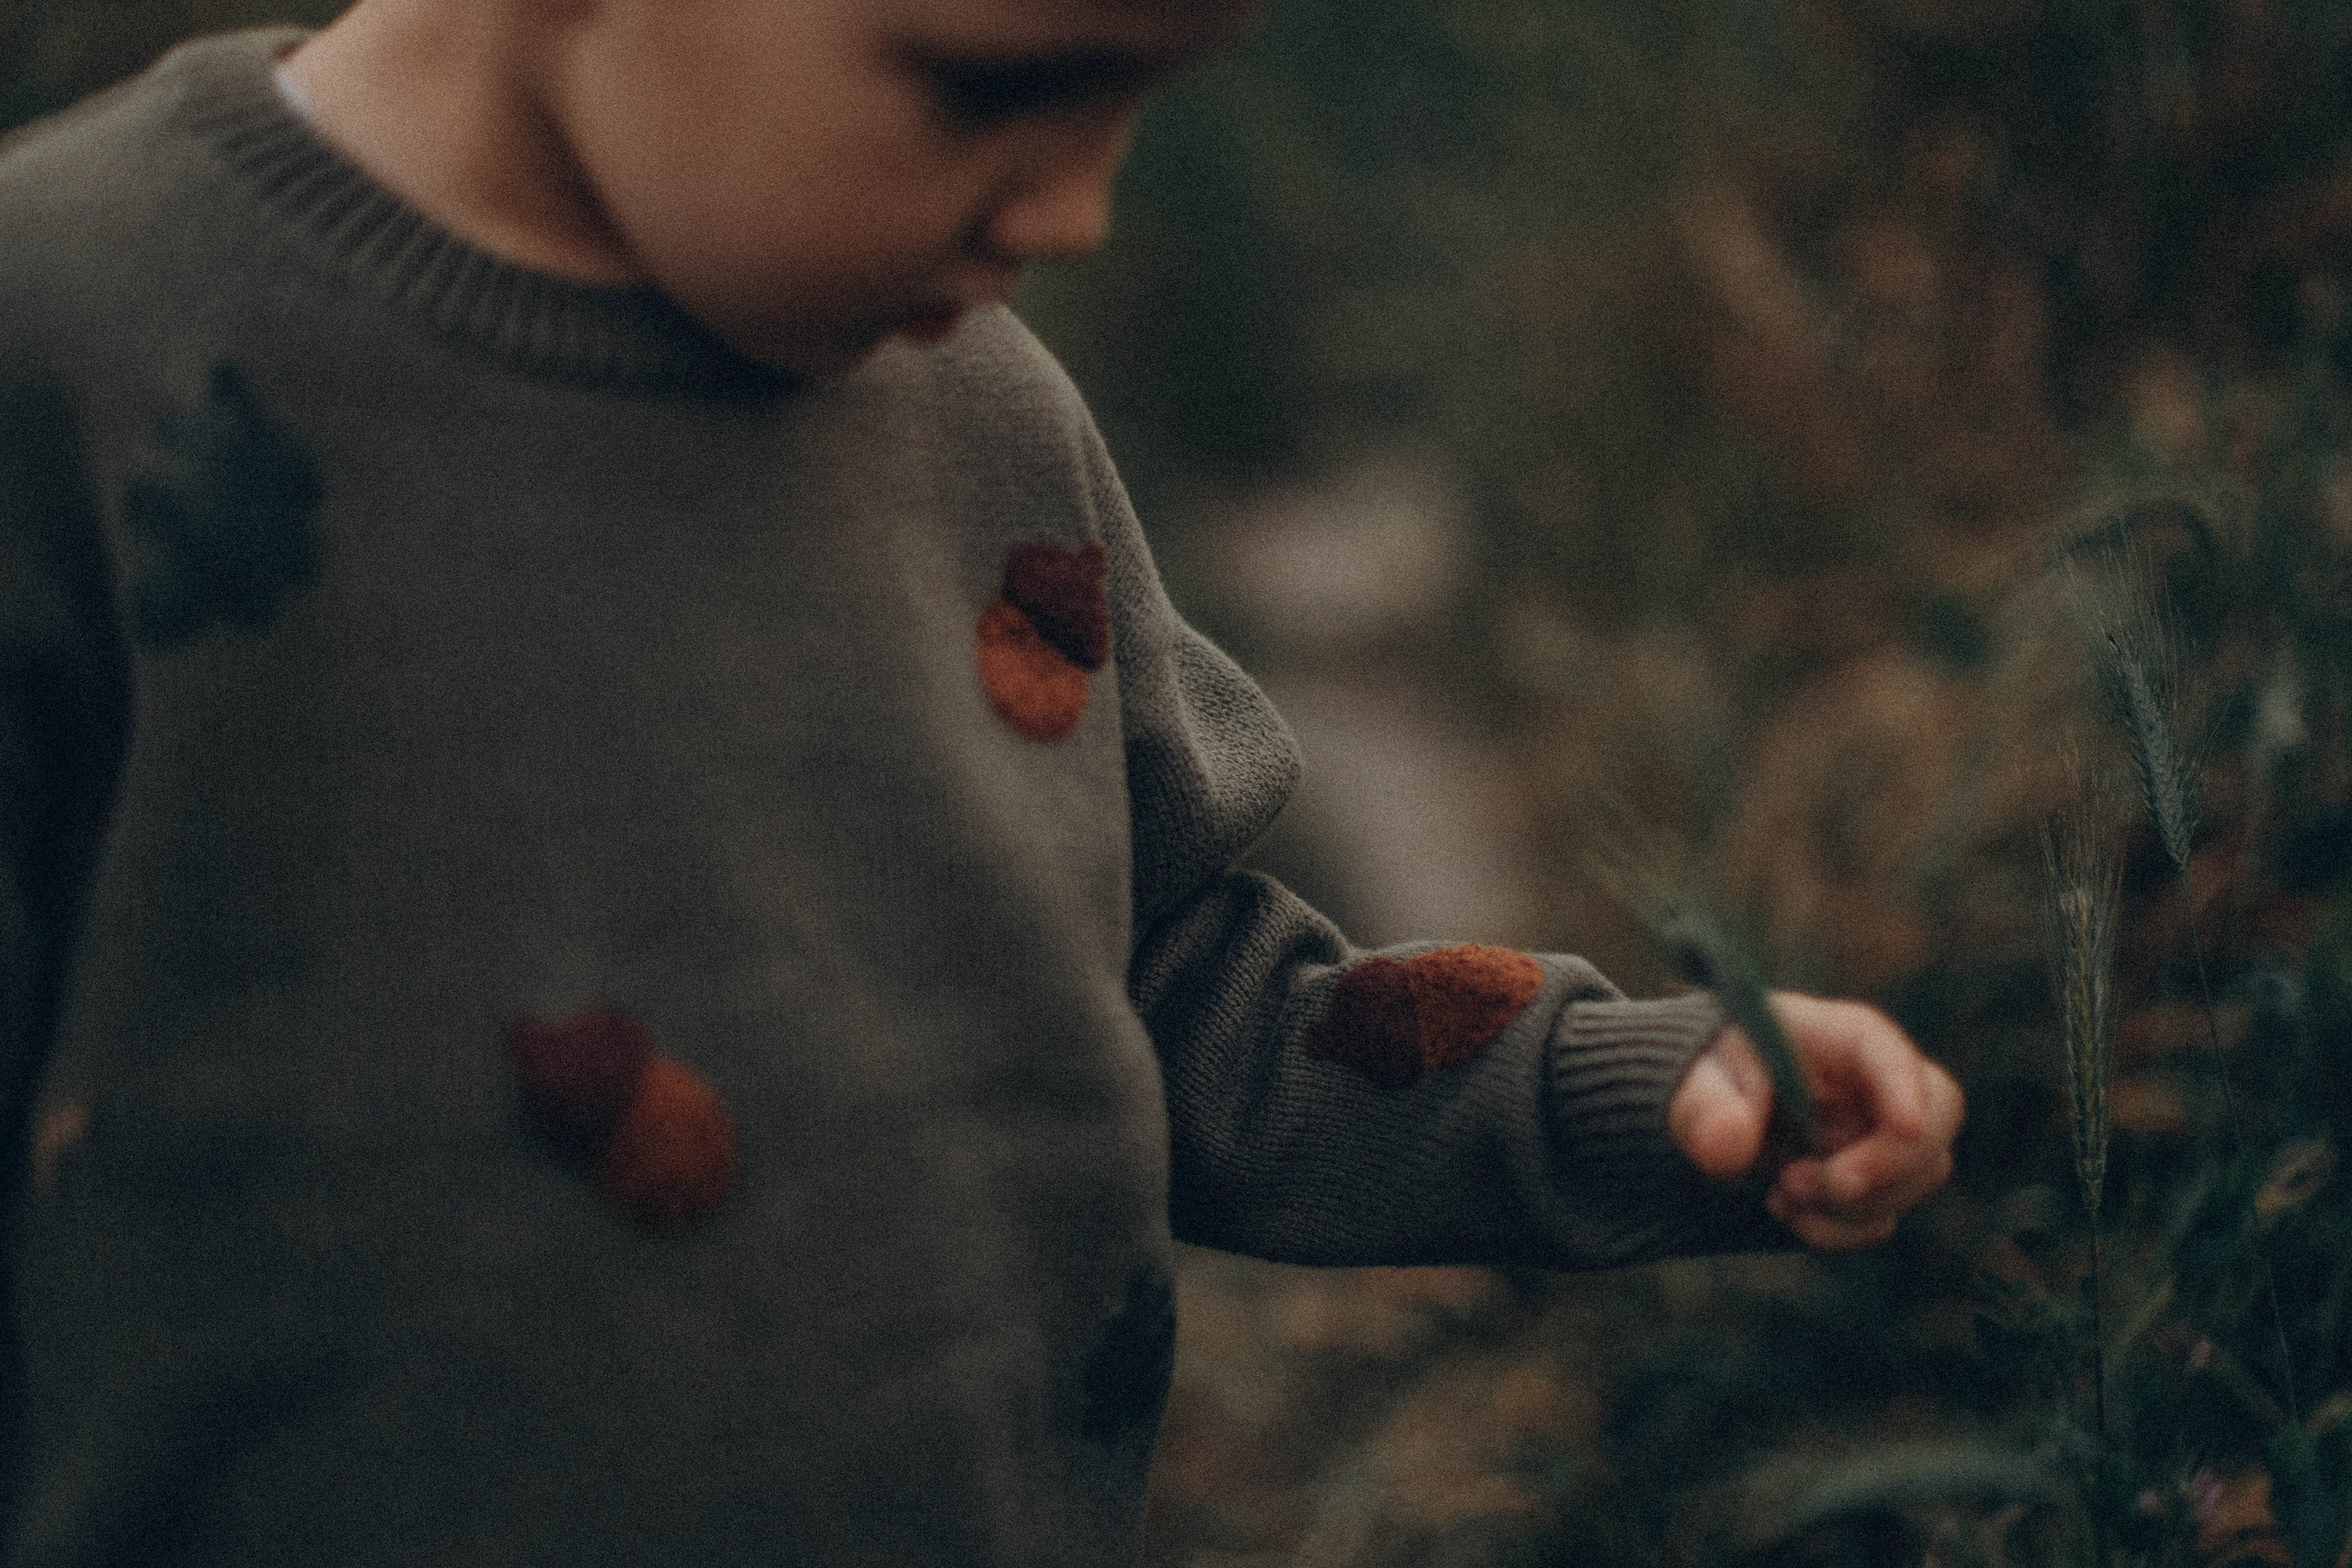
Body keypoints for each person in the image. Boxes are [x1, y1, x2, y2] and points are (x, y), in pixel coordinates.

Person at [0, 1, 1964, 1562]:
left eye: (1135, 99)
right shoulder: (75, 349)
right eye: (985, 85)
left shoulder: (982, 423)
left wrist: (1628, 1091)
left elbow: (1171, 995)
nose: (1074, 212)